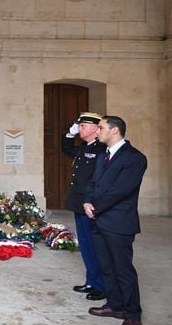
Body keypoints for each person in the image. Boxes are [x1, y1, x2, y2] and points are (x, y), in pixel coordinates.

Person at [84, 116, 147, 325]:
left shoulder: (134, 158)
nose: (97, 131)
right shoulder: (103, 155)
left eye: (100, 127)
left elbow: (120, 190)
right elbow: (92, 182)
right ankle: (115, 305)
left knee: (123, 269)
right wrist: (87, 202)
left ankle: (132, 315)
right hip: (99, 221)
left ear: (114, 130)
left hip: (119, 223)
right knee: (107, 267)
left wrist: (97, 207)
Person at [61, 112, 107, 301]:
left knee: (96, 246)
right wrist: (69, 135)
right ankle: (91, 281)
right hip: (80, 203)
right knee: (86, 245)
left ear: (96, 129)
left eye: (83, 126)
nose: (79, 129)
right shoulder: (84, 147)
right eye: (79, 126)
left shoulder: (101, 149)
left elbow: (99, 180)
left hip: (91, 204)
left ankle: (101, 285)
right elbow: (66, 149)